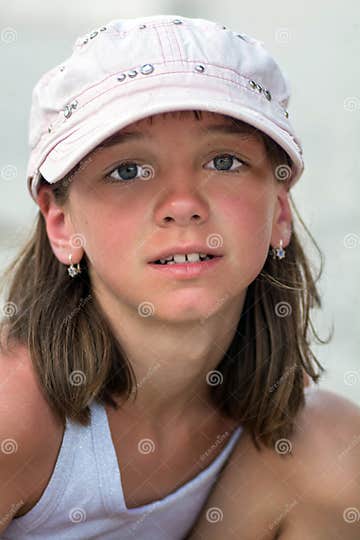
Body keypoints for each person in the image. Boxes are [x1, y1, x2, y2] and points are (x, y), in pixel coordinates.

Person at [0, 13, 358, 540]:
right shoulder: (15, 413)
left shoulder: (282, 428)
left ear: (279, 210)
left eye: (224, 161)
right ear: (62, 223)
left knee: (332, 444)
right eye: (128, 171)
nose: (184, 204)